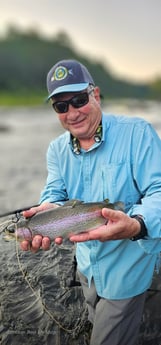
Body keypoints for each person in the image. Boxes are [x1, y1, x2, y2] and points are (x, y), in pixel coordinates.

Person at [21, 59, 161, 345]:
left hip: (127, 270)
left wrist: (137, 225)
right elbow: (54, 193)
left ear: (95, 95)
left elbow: (159, 190)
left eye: (79, 100)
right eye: (61, 106)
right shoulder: (56, 150)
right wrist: (48, 210)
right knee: (94, 318)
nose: (72, 113)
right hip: (86, 267)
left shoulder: (138, 133)